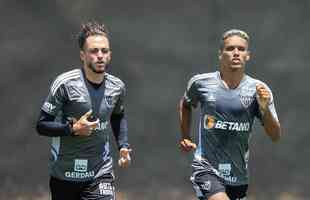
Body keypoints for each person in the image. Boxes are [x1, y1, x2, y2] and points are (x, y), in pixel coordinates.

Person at [178, 29, 281, 200]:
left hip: (238, 175)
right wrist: (185, 136)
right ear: (220, 54)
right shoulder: (201, 83)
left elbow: (275, 135)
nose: (235, 53)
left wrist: (264, 108)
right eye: (230, 48)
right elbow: (186, 104)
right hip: (206, 168)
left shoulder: (259, 90)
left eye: (241, 49)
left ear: (248, 55)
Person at [36, 21, 131, 200]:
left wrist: (123, 145)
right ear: (83, 55)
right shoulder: (64, 84)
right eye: (94, 51)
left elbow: (118, 116)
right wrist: (72, 129)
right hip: (64, 174)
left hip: (100, 172)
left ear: (110, 54)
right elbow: (41, 125)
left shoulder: (117, 87)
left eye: (104, 50)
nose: (100, 56)